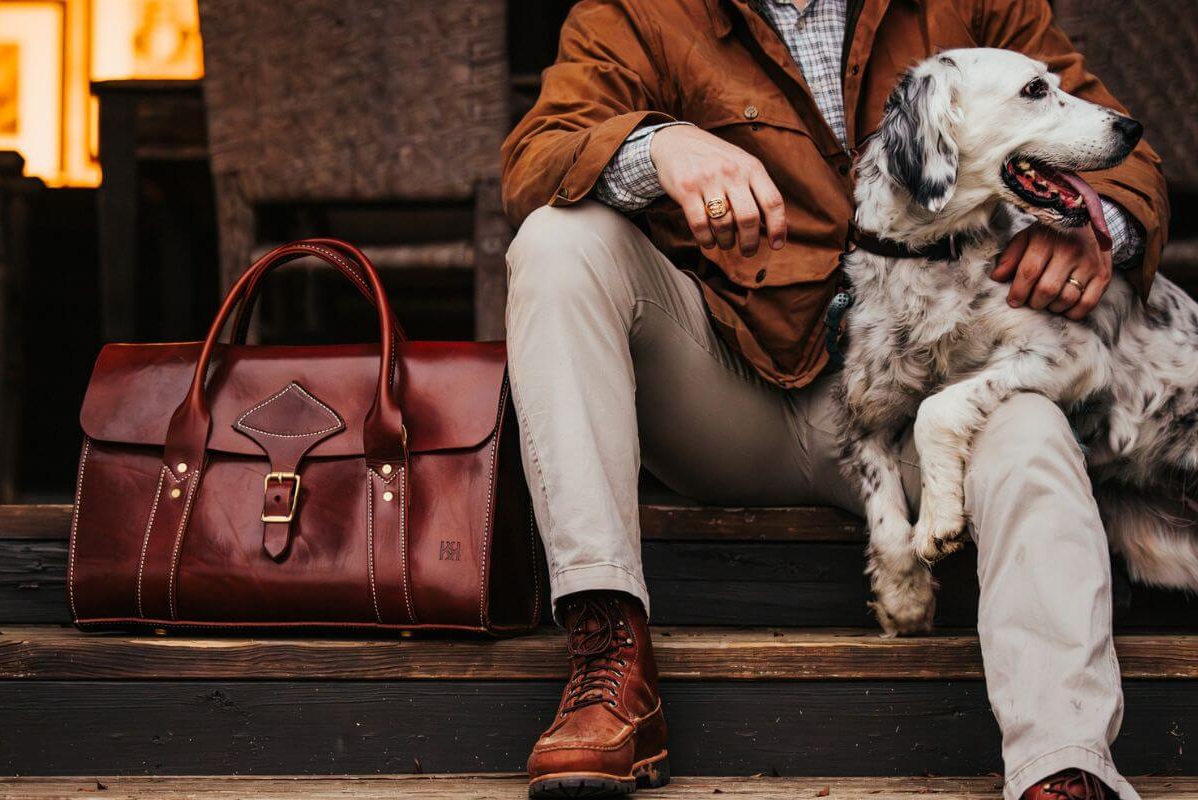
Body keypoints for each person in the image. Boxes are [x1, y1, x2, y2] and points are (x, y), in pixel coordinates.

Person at [499, 1, 1168, 798]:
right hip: (728, 394)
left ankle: (1063, 759)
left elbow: (1122, 151)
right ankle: (608, 656)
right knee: (556, 242)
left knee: (1029, 421)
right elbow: (538, 157)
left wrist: (1097, 224)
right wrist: (658, 147)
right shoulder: (636, 12)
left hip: (927, 405)